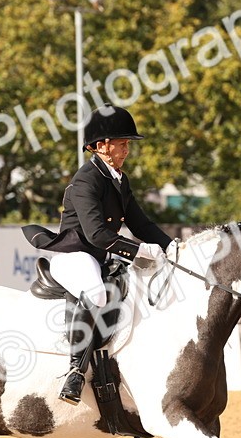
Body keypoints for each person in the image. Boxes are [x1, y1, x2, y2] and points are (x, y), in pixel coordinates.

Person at [23, 105, 172, 404]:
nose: (127, 150)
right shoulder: (85, 181)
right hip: (74, 255)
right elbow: (97, 235)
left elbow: (140, 223)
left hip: (99, 255)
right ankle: (74, 372)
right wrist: (140, 251)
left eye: (128, 144)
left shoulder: (119, 179)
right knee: (98, 293)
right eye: (122, 143)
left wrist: (173, 247)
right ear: (101, 146)